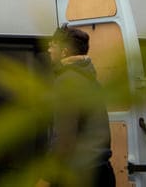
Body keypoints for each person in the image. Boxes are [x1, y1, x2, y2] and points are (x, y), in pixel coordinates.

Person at [37, 26, 115, 187]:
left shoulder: (67, 82)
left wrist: (46, 179)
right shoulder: (91, 80)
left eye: (53, 45)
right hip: (103, 173)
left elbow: (64, 139)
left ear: (64, 51)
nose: (49, 50)